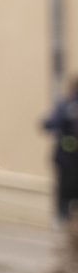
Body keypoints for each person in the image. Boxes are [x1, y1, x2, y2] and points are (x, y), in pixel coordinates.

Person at [41, 76, 78, 224]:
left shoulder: (65, 105)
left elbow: (49, 124)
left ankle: (65, 229)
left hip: (65, 160)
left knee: (64, 198)